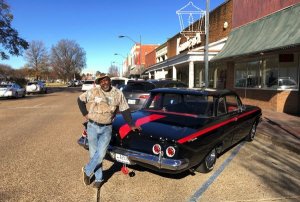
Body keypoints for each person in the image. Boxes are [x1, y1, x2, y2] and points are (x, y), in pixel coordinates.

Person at [77, 74, 141, 188]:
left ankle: (86, 170)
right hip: (92, 126)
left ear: (109, 81)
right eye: (101, 81)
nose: (104, 83)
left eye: (105, 80)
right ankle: (99, 178)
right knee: (93, 154)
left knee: (101, 154)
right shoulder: (93, 92)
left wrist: (131, 124)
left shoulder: (117, 93)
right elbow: (80, 100)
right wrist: (85, 114)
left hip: (106, 127)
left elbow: (125, 109)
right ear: (99, 83)